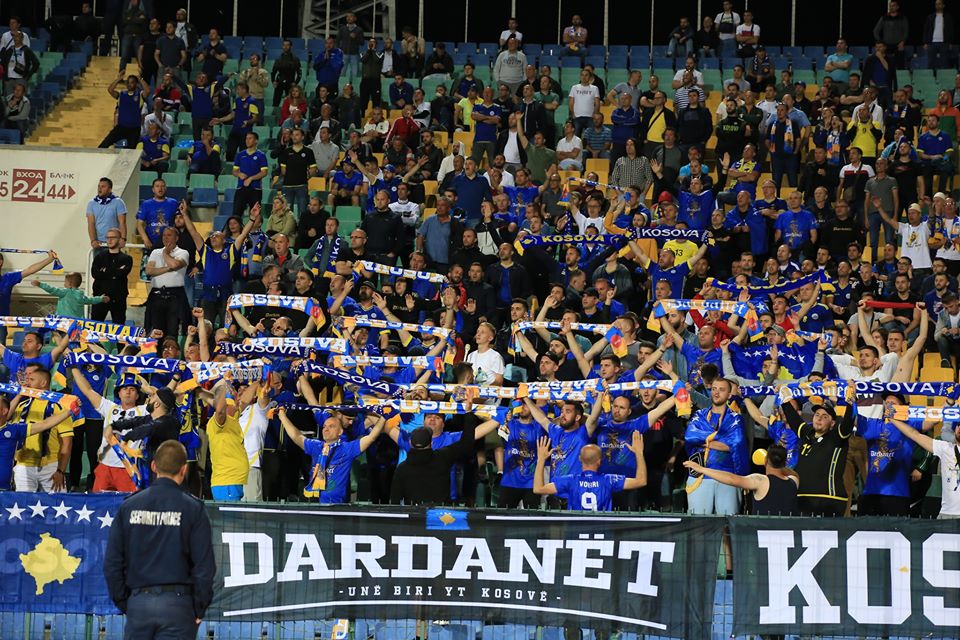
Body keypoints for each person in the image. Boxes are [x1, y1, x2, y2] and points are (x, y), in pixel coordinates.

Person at [104, 440, 216, 639]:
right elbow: (204, 567)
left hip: (139, 603)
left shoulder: (129, 507)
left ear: (154, 466)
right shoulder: (193, 509)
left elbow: (112, 564)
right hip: (179, 607)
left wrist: (127, 603)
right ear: (184, 470)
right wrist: (199, 608)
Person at [278, 405, 385, 503]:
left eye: (331, 426)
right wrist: (282, 416)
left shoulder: (346, 449)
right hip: (314, 502)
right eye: (324, 426)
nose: (326, 429)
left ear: (340, 432)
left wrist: (383, 417)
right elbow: (296, 436)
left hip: (336, 505)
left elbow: (371, 437)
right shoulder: (316, 446)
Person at [534, 430, 647, 512]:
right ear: (599, 461)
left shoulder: (570, 481)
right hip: (602, 533)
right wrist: (639, 454)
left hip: (575, 534)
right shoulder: (608, 480)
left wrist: (541, 460)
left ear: (580, 459)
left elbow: (538, 489)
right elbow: (641, 481)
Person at [390, 408, 478, 504]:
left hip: (414, 512)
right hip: (442, 511)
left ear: (410, 443)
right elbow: (467, 443)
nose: (432, 419)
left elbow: (395, 500)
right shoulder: (443, 457)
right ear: (431, 443)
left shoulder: (402, 469)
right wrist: (468, 412)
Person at [685, 444, 798, 515]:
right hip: (787, 535)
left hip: (762, 536)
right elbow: (794, 474)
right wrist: (780, 465)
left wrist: (702, 469)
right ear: (784, 462)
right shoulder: (794, 481)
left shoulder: (761, 481)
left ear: (765, 460)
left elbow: (731, 479)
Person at [888, 408, 960, 518]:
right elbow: (914, 434)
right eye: (958, 425)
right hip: (946, 514)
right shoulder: (945, 448)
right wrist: (892, 419)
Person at [144, 226, 189, 337]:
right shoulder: (155, 252)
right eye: (164, 235)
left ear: (176, 238)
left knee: (172, 330)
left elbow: (174, 264)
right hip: (156, 294)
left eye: (169, 235)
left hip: (175, 295)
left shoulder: (183, 253)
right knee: (155, 329)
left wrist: (165, 253)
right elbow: (149, 271)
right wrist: (168, 269)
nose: (165, 238)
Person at [100, 73, 149, 149]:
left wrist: (141, 79)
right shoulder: (121, 94)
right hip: (121, 127)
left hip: (134, 129)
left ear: (136, 84)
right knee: (103, 145)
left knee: (130, 151)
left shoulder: (140, 95)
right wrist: (118, 79)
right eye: (128, 82)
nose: (129, 84)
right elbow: (110, 90)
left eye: (132, 82)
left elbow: (147, 91)